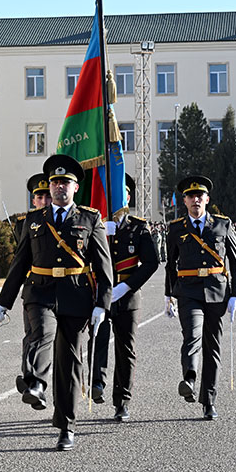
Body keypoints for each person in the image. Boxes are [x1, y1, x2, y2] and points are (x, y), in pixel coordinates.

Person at [0, 154, 112, 451]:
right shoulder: (33, 220)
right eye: (55, 182)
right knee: (41, 333)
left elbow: (104, 265)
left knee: (70, 363)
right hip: (40, 292)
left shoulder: (90, 219)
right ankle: (36, 384)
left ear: (74, 188)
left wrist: (102, 305)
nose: (59, 188)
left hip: (76, 294)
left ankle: (66, 426)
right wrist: (2, 304)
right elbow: (19, 265)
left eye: (65, 183)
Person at [164, 175, 236, 421]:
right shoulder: (176, 228)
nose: (196, 200)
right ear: (184, 201)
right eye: (191, 196)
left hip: (218, 292)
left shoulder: (222, 225)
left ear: (207, 200)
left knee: (213, 349)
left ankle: (208, 400)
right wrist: (168, 295)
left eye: (200, 196)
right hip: (188, 290)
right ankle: (189, 377)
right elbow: (170, 264)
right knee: (192, 335)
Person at [90, 174, 160, 421]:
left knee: (125, 348)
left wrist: (127, 286)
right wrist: (99, 234)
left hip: (127, 296)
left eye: (123, 193)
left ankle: (122, 400)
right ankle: (97, 382)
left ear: (128, 197)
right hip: (100, 291)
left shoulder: (139, 227)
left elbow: (152, 262)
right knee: (97, 337)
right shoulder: (95, 225)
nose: (117, 198)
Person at [13, 172, 54, 407]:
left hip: (52, 288)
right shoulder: (25, 223)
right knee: (31, 335)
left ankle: (33, 382)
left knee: (41, 336)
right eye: (40, 197)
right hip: (32, 287)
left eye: (48, 196)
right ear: (34, 200)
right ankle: (31, 380)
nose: (45, 200)